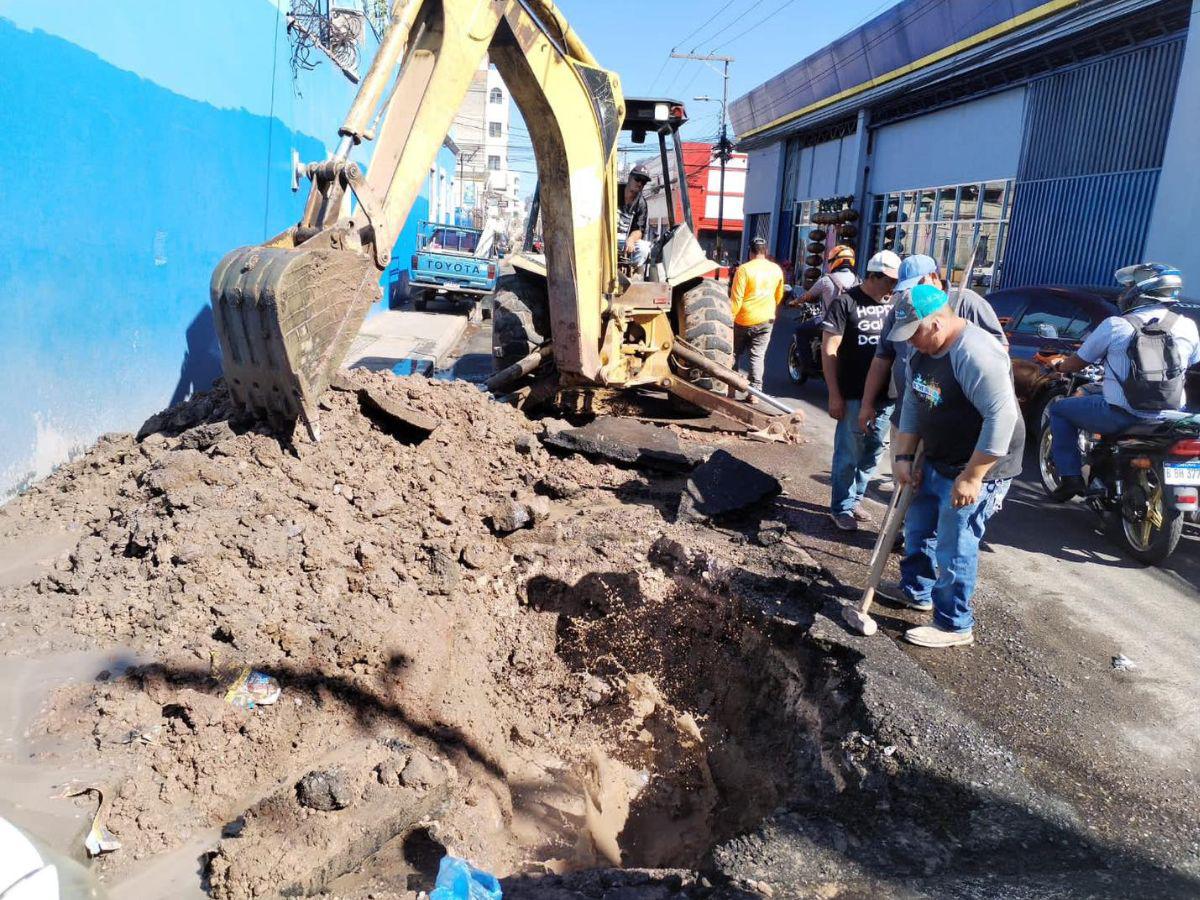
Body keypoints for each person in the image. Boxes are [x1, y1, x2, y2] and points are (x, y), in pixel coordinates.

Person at [888, 284, 1025, 648]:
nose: (910, 342)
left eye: (914, 333)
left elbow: (1002, 416)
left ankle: (954, 625)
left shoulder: (976, 352)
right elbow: (916, 404)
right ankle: (917, 591)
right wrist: (903, 456)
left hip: (978, 463)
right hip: (937, 455)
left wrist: (973, 476)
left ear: (935, 323)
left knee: (955, 544)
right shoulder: (920, 351)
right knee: (919, 528)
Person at [1047, 263, 1200, 501]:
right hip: (1169, 415)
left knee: (1059, 410)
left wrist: (1059, 366)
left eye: (1129, 286)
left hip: (1121, 413)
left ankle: (1070, 479)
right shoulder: (1188, 326)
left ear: (1140, 291)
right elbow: (1188, 363)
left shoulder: (1116, 325)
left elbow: (1077, 363)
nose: (1124, 291)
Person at [858, 254, 1007, 436]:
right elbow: (882, 358)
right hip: (907, 417)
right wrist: (867, 403)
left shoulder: (968, 303)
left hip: (951, 427)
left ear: (934, 278)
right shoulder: (903, 308)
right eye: (905, 288)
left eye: (917, 285)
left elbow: (999, 350)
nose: (910, 293)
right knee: (901, 462)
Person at [821, 250, 901, 530]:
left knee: (873, 451)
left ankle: (856, 498)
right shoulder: (846, 303)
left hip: (886, 395)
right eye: (889, 280)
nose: (893, 286)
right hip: (853, 392)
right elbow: (829, 350)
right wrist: (834, 394)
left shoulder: (894, 305)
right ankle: (840, 507)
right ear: (874, 275)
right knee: (848, 452)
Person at [729, 236, 785, 395]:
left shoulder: (744, 269)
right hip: (766, 319)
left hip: (743, 319)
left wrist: (730, 318)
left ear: (750, 252)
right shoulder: (776, 269)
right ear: (765, 251)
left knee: (733, 354)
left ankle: (731, 388)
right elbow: (779, 295)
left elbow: (736, 298)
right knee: (757, 356)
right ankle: (755, 393)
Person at [797, 245, 858, 314]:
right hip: (854, 323)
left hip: (830, 322)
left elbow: (806, 297)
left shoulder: (826, 280)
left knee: (802, 325)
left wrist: (794, 302)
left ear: (834, 261)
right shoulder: (859, 281)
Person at [618, 163, 652, 267]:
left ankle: (631, 270)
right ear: (629, 177)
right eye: (637, 179)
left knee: (644, 248)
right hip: (604, 236)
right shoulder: (614, 191)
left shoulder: (641, 204)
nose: (640, 184)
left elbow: (639, 229)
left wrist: (631, 239)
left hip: (623, 239)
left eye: (644, 182)